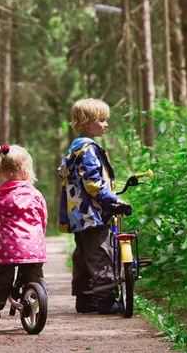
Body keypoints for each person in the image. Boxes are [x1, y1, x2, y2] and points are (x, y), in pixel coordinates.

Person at [0, 144, 48, 332]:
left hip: (5, 249)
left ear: (2, 170)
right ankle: (36, 304)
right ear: (28, 169)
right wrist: (39, 236)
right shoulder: (36, 195)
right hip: (33, 247)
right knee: (35, 280)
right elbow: (42, 218)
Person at [58, 98, 125, 315]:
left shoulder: (75, 147)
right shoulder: (88, 149)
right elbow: (93, 183)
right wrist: (112, 200)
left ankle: (85, 299)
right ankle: (106, 300)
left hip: (79, 214)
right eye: (102, 120)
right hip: (92, 214)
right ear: (87, 122)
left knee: (84, 256)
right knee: (100, 254)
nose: (106, 125)